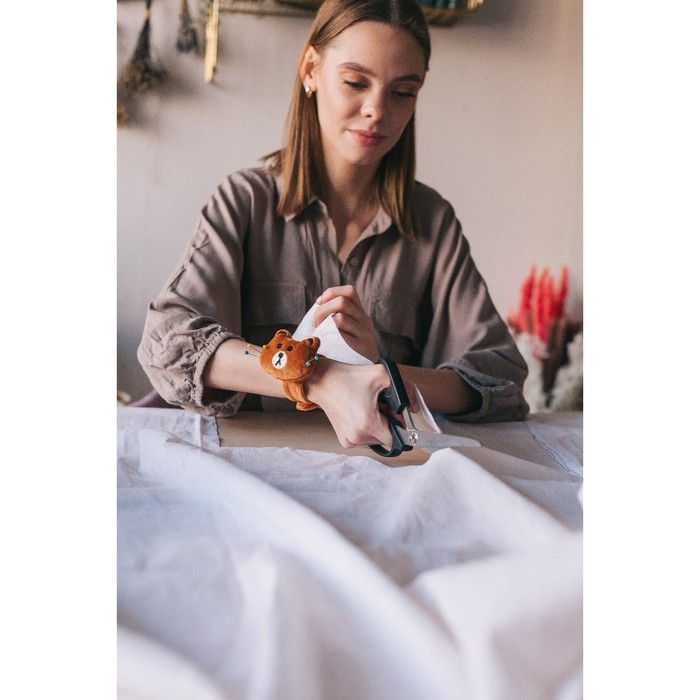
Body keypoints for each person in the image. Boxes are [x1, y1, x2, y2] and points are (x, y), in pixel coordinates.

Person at [137, 0, 529, 450]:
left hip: (389, 474)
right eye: (355, 83)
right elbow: (170, 341)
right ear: (310, 70)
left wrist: (381, 376)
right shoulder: (244, 202)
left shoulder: (432, 223)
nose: (377, 110)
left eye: (403, 92)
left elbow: (499, 379)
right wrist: (315, 376)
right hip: (256, 468)